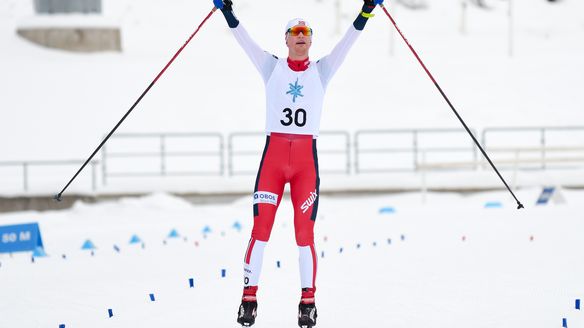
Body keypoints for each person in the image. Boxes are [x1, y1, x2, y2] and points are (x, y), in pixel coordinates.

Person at [212, 0, 383, 326]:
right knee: (260, 230)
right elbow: (242, 39)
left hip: (306, 163)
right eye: (295, 32)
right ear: (286, 40)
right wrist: (227, 11)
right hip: (273, 161)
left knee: (304, 234)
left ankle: (308, 302)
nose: (301, 36)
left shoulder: (323, 70)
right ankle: (248, 299)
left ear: (311, 40)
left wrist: (365, 11)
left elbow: (349, 41)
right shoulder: (271, 67)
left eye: (306, 32)